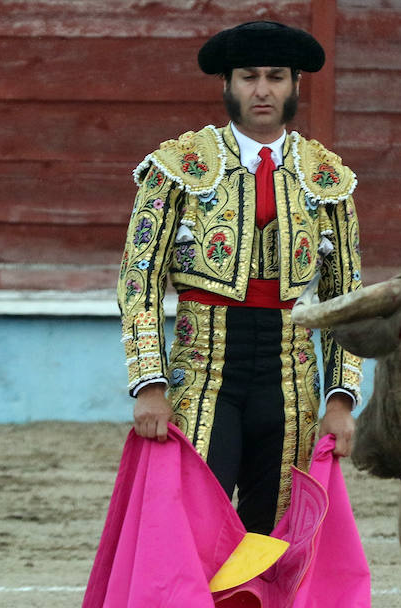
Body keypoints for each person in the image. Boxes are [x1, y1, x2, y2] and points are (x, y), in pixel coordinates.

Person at [118, 20, 363, 534]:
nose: (262, 90)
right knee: (192, 525)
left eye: (275, 77)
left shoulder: (328, 178)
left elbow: (346, 296)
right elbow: (139, 278)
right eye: (249, 77)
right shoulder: (178, 166)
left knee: (273, 533)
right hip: (203, 368)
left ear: (295, 84)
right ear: (226, 85)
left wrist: (340, 399)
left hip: (292, 374)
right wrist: (149, 384)